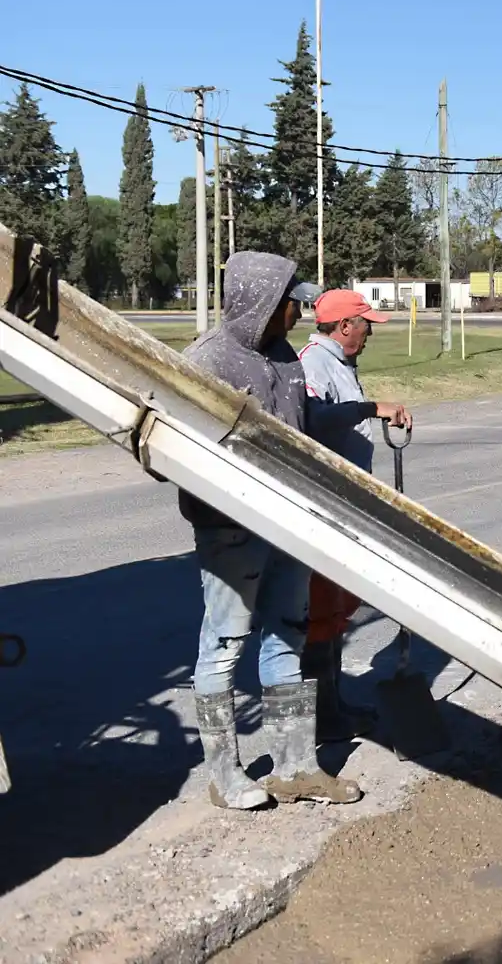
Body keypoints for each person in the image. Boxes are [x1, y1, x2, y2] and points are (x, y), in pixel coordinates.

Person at [178, 252, 374, 811]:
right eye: (292, 300)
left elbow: (307, 425)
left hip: (290, 518)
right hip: (231, 528)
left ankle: (294, 767)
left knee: (289, 633)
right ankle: (223, 774)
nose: (299, 309)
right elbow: (170, 449)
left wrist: (365, 409)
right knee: (223, 645)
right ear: (262, 302)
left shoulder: (284, 356)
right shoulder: (207, 361)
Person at [298, 288, 412, 742]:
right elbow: (313, 417)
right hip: (326, 504)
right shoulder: (314, 361)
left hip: (348, 504)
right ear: (345, 326)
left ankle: (335, 703)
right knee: (322, 610)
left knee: (339, 607)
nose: (369, 333)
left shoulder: (340, 362)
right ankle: (322, 716)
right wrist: (371, 408)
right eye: (366, 325)